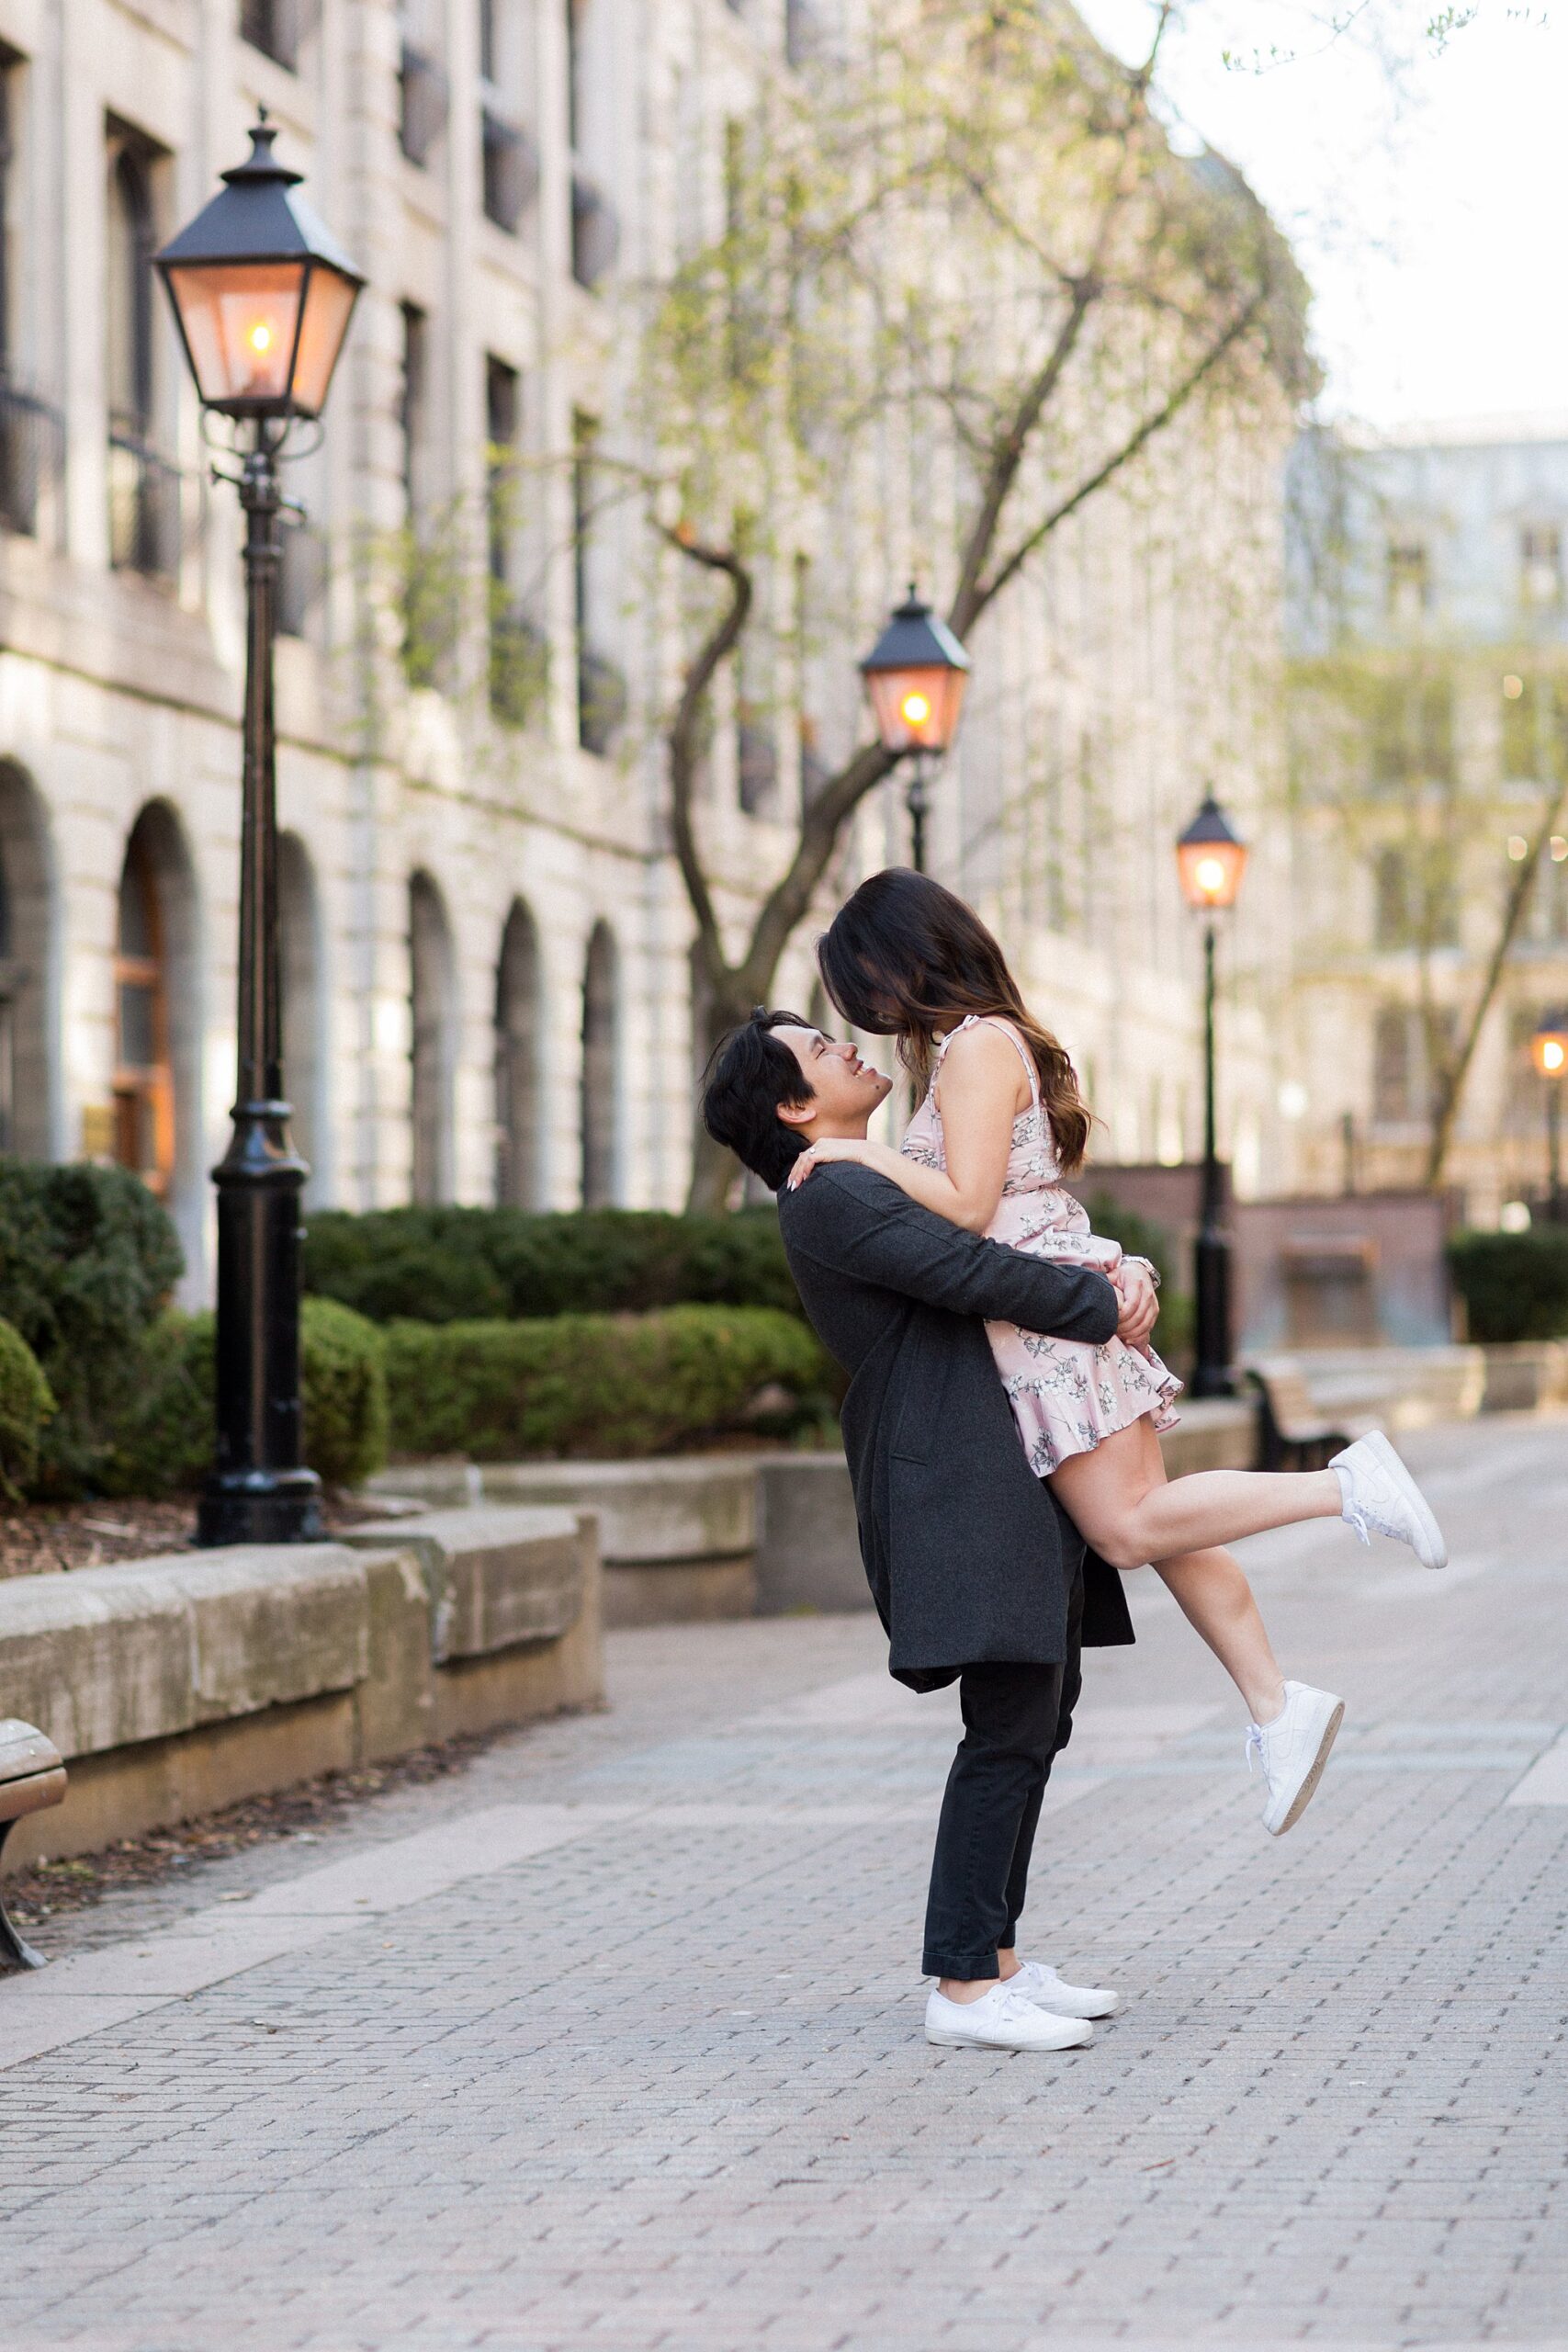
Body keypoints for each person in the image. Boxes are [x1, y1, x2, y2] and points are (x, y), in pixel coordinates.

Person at [795, 868, 1448, 1838]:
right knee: (1168, 1528)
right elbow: (1021, 1199)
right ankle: (1278, 1707)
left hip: (1046, 1330)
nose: (874, 1016)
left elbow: (974, 1207)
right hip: (1052, 1314)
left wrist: (861, 1155)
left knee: (1131, 1528)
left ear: (908, 957)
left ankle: (1344, 1485)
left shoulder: (976, 1047)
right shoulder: (977, 1049)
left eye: (870, 988)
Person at [703, 1008, 1157, 2053]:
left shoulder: (860, 1174)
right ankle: (961, 1985)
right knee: (1007, 1724)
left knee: (1041, 1712)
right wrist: (1103, 1301)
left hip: (993, 1452)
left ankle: (995, 1957)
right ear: (793, 1106)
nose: (847, 1045)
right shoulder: (834, 1190)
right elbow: (969, 1273)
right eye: (820, 1050)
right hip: (957, 1473)